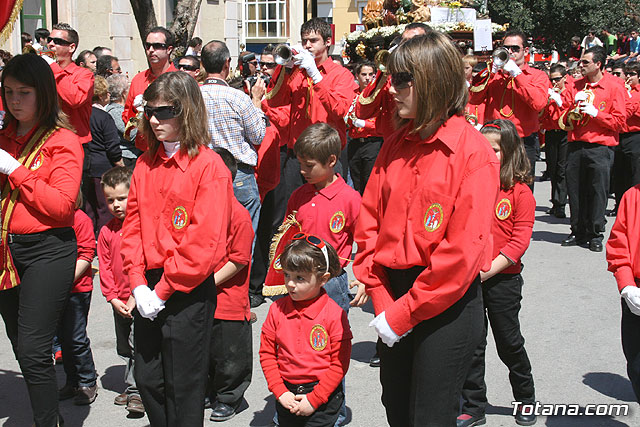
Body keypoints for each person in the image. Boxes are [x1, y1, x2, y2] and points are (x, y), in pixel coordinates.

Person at [352, 32, 500, 426]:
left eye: (401, 79)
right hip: (393, 292)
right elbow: (369, 221)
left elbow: (461, 253)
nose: (391, 89)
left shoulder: (474, 152)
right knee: (397, 409)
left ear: (432, 80)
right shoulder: (395, 142)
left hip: (445, 304)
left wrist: (402, 314)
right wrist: (381, 295)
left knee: (430, 416)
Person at [120, 71, 232, 427]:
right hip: (148, 283)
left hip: (187, 289)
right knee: (149, 378)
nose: (154, 120)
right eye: (149, 112)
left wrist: (163, 290)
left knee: (184, 387)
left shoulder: (210, 168)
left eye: (164, 112)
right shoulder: (143, 163)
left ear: (186, 112)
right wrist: (137, 282)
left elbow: (203, 241)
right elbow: (132, 226)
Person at [0, 53, 84, 426]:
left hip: (47, 250)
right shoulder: (3, 136)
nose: (14, 100)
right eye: (7, 92)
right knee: (22, 347)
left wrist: (15, 170)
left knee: (35, 348)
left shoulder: (63, 140)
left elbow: (62, 208)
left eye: (24, 92)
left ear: (44, 94)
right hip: (6, 253)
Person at [458, 120, 536, 427]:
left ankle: (526, 398)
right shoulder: (470, 186)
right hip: (470, 279)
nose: (488, 155)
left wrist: (488, 271)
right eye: (483, 149)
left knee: (509, 342)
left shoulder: (520, 192)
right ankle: (473, 406)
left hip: (502, 279)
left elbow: (520, 240)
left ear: (510, 152)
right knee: (473, 345)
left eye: (495, 150)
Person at [265, 17, 358, 207]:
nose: (307, 46)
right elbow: (274, 101)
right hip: (296, 155)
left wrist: (316, 76)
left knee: (329, 211)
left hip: (326, 156)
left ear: (328, 42)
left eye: (313, 41)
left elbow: (341, 110)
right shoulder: (297, 73)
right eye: (304, 41)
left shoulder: (341, 75)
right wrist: (285, 71)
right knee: (295, 212)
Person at [260, 236, 352, 427]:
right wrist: (280, 391)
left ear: (323, 279)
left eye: (299, 278)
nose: (290, 284)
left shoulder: (334, 315)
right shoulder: (276, 310)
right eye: (287, 275)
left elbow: (339, 364)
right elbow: (267, 354)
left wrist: (315, 399)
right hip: (287, 394)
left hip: (322, 395)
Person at [559, 46, 626, 252]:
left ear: (598, 64)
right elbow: (562, 117)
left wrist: (596, 113)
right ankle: (577, 230)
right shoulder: (575, 86)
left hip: (601, 146)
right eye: (581, 61)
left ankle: (596, 233)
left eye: (585, 62)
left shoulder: (615, 86)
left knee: (598, 191)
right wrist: (572, 110)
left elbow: (620, 122)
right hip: (576, 144)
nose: (581, 65)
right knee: (575, 190)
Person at [200, 40, 266, 239]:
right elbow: (258, 135)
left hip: (204, 173)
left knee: (211, 236)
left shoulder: (193, 95)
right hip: (238, 176)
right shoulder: (238, 98)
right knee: (243, 241)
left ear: (202, 64)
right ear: (227, 64)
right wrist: (256, 102)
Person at [207, 147, 254, 422]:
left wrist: (208, 282)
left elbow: (238, 260)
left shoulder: (238, 216)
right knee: (205, 351)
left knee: (230, 356)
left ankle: (230, 397)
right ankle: (209, 389)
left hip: (229, 301)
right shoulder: (201, 211)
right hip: (202, 299)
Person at [470, 29, 550, 189]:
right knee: (491, 186)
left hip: (523, 140)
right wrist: (490, 73)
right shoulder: (494, 75)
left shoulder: (537, 75)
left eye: (515, 48)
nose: (510, 52)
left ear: (525, 51)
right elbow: (474, 98)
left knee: (522, 188)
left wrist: (517, 74)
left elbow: (538, 103)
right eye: (506, 48)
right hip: (495, 139)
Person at [98, 166, 144, 415]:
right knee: (125, 347)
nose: (116, 205)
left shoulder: (142, 226)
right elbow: (104, 266)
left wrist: (136, 295)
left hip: (140, 298)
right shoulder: (106, 231)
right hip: (119, 301)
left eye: (121, 199)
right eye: (110, 200)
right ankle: (134, 382)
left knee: (138, 345)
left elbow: (148, 263)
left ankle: (137, 391)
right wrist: (113, 297)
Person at [355, 22, 431, 139]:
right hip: (395, 144)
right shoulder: (388, 76)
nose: (406, 47)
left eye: (413, 41)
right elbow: (363, 111)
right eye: (404, 41)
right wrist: (383, 72)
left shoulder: (435, 75)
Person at [57, 192, 98, 406]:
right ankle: (72, 380)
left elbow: (86, 253)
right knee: (62, 338)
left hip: (77, 289)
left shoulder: (80, 219)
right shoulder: (51, 220)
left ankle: (87, 380)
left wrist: (63, 281)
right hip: (54, 290)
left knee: (76, 337)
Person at [606, 183, 640, 404]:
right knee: (636, 364)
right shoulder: (632, 196)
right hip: (636, 291)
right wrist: (627, 285)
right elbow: (619, 244)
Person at [122, 26, 177, 151]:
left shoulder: (180, 80)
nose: (151, 50)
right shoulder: (138, 79)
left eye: (157, 46)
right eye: (148, 46)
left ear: (169, 49)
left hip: (172, 148)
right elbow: (127, 113)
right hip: (145, 148)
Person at [82, 76, 124, 236]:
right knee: (105, 208)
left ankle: (89, 238)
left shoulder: (82, 115)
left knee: (89, 207)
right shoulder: (104, 117)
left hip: (86, 166)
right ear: (101, 95)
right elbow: (112, 146)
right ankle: (104, 239)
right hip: (103, 168)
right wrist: (120, 164)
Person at [48, 22, 94, 145]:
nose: (50, 44)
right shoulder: (46, 72)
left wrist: (54, 68)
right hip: (48, 140)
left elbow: (75, 99)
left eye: (57, 41)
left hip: (76, 142)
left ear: (71, 47)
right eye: (49, 40)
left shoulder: (84, 74)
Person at [346, 62, 384, 195]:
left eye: (371, 75)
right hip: (354, 142)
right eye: (363, 74)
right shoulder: (351, 94)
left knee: (370, 181)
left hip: (372, 142)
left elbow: (382, 119)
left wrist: (364, 123)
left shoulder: (379, 95)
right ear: (357, 76)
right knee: (356, 181)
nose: (367, 78)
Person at [541, 64, 571, 218]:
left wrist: (560, 101)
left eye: (558, 79)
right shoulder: (551, 93)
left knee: (561, 170)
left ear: (565, 78)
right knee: (552, 169)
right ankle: (555, 202)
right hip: (551, 133)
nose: (554, 82)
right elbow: (543, 115)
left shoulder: (569, 93)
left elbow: (570, 110)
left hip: (565, 133)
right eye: (552, 79)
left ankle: (561, 204)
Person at [612, 61, 640, 214]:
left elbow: (628, 111)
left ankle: (634, 209)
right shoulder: (623, 90)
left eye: (632, 74)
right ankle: (619, 206)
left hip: (635, 136)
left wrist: (627, 96)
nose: (628, 77)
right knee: (619, 173)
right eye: (627, 74)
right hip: (620, 135)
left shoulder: (635, 92)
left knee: (634, 173)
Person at [106, 74, 141, 169]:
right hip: (128, 158)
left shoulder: (122, 109)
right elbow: (132, 133)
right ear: (123, 93)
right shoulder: (115, 111)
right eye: (129, 88)